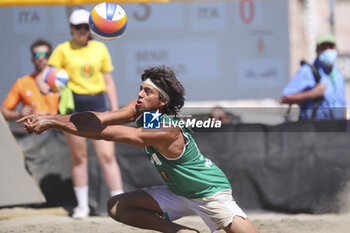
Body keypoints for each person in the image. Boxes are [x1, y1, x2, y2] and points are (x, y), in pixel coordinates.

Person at [18, 66, 259, 233]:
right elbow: (100, 119)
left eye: (147, 92)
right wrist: (50, 117)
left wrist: (53, 122)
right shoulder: (141, 110)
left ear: (162, 102)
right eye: (141, 88)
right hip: (179, 192)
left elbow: (108, 133)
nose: (139, 94)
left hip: (209, 192)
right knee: (117, 206)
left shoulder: (168, 130)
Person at [37, 9, 124, 218]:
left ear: (91, 28)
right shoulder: (63, 49)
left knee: (107, 156)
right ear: (71, 28)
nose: (82, 31)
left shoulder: (100, 48)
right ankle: (83, 206)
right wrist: (46, 85)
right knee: (79, 157)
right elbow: (45, 75)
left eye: (86, 26)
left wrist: (116, 109)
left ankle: (121, 204)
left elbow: (108, 81)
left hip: (98, 105)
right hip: (73, 106)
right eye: (78, 27)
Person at [281, 32, 346, 120]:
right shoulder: (308, 71)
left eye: (330, 46)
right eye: (323, 47)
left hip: (335, 128)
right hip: (314, 129)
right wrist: (313, 93)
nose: (327, 50)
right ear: (317, 50)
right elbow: (285, 98)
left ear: (336, 49)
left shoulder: (338, 74)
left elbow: (342, 104)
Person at [1, 39, 59, 121]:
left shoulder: (60, 80)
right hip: (34, 131)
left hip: (58, 129)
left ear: (51, 57)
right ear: (32, 58)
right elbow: (4, 110)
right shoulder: (23, 82)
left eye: (45, 54)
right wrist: (20, 113)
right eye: (37, 55)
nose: (41, 58)